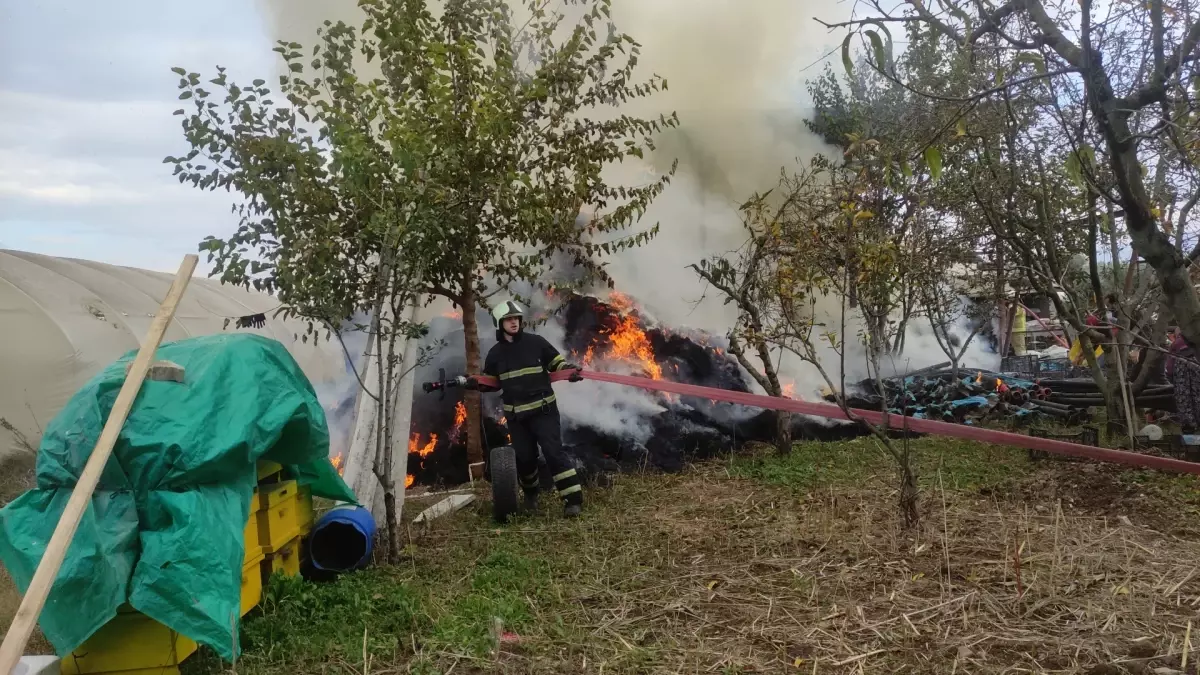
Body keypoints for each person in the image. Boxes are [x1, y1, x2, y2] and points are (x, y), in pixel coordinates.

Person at [465, 299, 586, 518]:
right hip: (517, 417)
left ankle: (572, 502)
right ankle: (531, 496)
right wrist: (476, 383)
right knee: (525, 458)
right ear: (499, 324)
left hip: (543, 411)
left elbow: (557, 363)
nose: (513, 322)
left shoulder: (536, 343)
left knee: (553, 453)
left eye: (516, 319)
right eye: (508, 319)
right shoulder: (495, 354)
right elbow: (491, 382)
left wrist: (569, 370)